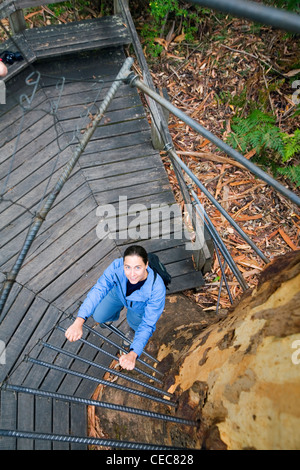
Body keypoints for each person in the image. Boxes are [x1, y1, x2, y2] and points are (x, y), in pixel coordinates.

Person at [65, 245, 166, 371]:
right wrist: (78, 321)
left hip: (140, 307)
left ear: (146, 265)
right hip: (119, 293)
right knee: (99, 316)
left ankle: (132, 331)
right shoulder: (116, 266)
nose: (132, 274)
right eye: (127, 267)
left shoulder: (157, 289)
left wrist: (133, 354)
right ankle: (112, 313)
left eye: (138, 268)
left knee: (136, 324)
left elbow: (148, 324)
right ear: (123, 264)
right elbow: (98, 290)